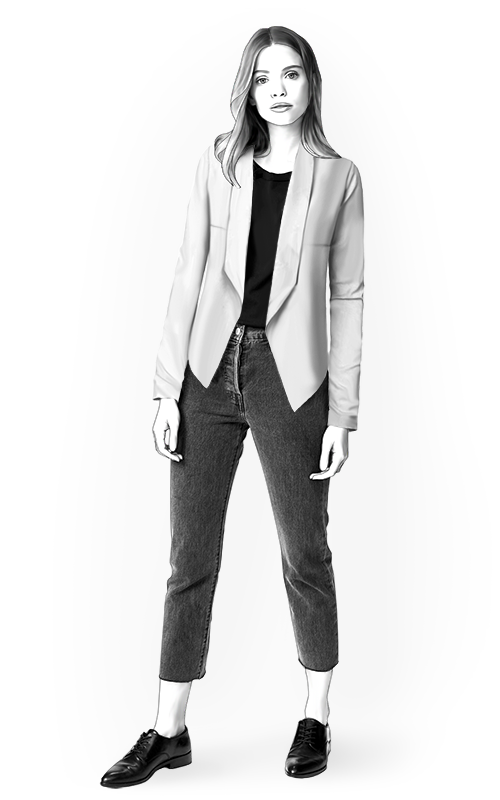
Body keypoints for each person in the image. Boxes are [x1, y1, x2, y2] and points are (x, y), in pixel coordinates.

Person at [101, 24, 364, 787]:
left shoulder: (337, 179)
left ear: (311, 84)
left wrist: (342, 414)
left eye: (291, 74)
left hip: (293, 379)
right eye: (264, 77)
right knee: (189, 559)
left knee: (305, 553)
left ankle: (315, 715)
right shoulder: (218, 165)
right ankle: (168, 730)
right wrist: (165, 390)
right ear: (248, 88)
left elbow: (345, 298)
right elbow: (187, 273)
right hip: (206, 372)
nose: (277, 89)